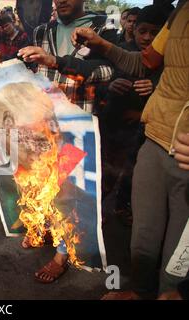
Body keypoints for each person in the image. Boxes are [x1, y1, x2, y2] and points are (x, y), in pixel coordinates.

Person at [0, 0, 116, 283]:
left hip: (75, 130)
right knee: (37, 182)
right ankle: (41, 226)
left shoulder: (103, 26)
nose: (61, 1)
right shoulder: (44, 30)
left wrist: (57, 62)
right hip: (38, 130)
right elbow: (25, 66)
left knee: (66, 193)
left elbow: (109, 71)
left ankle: (62, 252)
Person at [72, 0, 189, 299]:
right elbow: (146, 61)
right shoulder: (180, 11)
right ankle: (139, 292)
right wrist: (101, 44)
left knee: (178, 262)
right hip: (155, 142)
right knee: (143, 241)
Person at [101, 5, 168, 225]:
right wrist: (111, 85)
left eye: (155, 33)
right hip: (115, 130)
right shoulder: (123, 52)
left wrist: (155, 90)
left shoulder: (170, 65)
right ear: (134, 29)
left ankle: (123, 207)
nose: (148, 38)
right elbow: (100, 80)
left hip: (147, 135)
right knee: (107, 175)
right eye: (143, 31)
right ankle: (95, 210)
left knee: (134, 177)